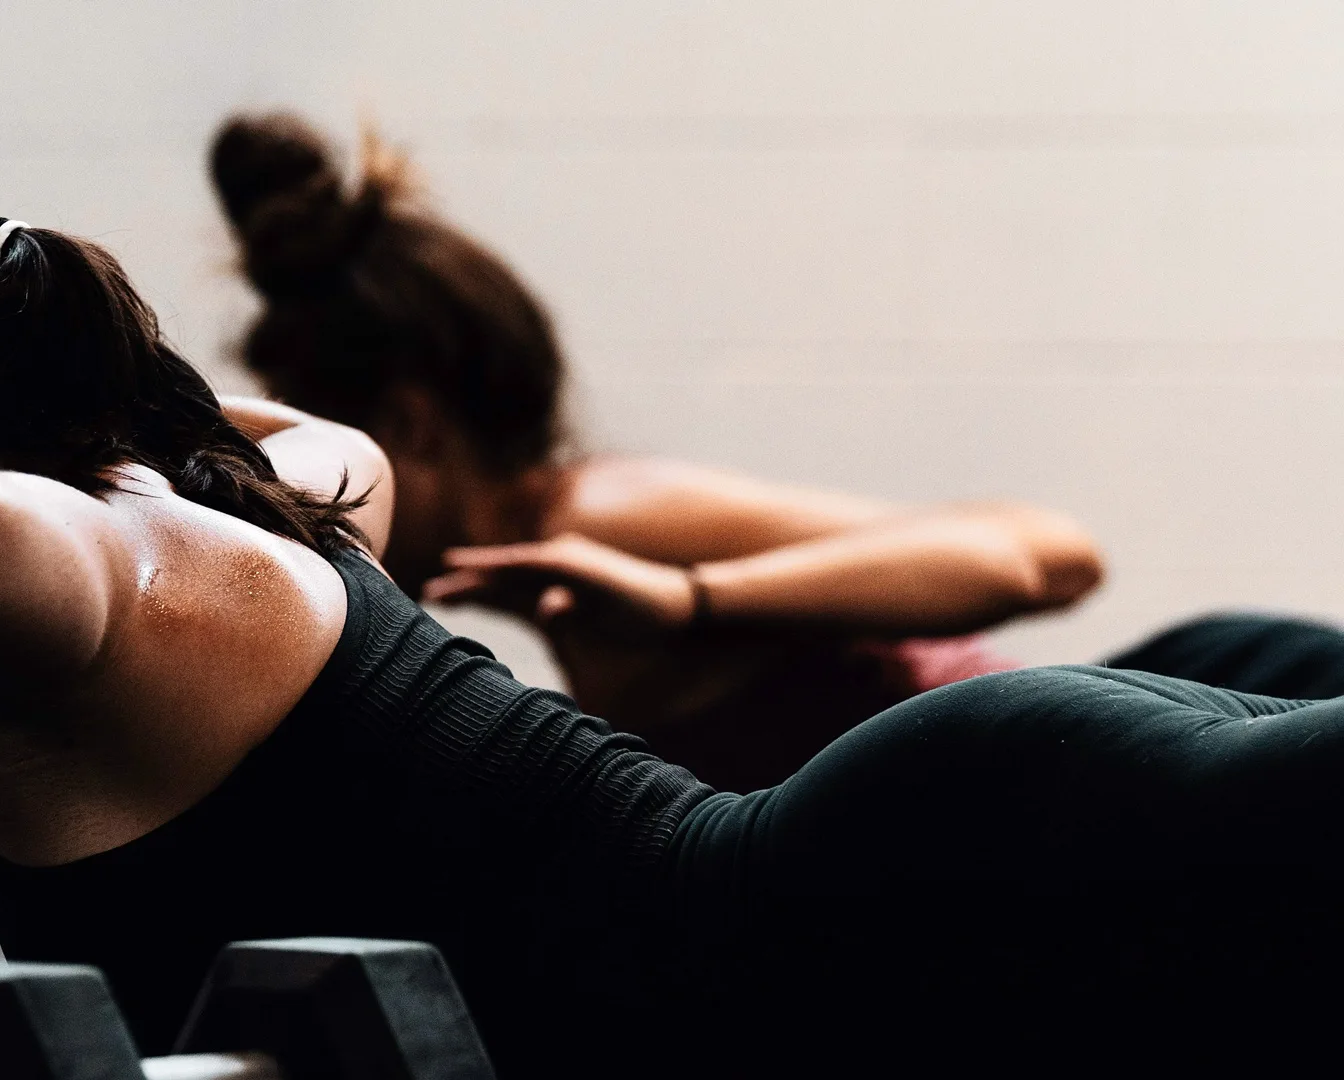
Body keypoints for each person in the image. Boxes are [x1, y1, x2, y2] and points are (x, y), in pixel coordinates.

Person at [0, 93, 1344, 1071]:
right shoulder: (210, 478)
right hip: (951, 862)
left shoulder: (65, 567)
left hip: (920, 910)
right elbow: (324, 453)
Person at [209, 113, 1114, 790]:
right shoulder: (563, 586)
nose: (301, 497)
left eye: (311, 449)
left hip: (1072, 791)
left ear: (409, 428)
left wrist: (690, 601)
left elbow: (1048, 557)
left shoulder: (604, 514)